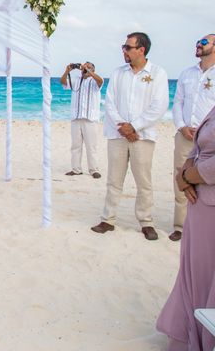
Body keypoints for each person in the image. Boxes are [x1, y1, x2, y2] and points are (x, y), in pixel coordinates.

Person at [91, 32, 169, 240]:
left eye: (127, 47)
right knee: (114, 179)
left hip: (142, 136)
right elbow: (110, 101)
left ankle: (146, 222)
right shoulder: (118, 73)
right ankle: (108, 219)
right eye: (123, 47)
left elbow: (159, 106)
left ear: (141, 50)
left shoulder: (158, 73)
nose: (123, 50)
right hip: (117, 135)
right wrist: (123, 127)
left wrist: (134, 127)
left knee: (143, 180)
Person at [156, 104, 215, 350]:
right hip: (199, 201)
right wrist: (182, 175)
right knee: (194, 268)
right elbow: (198, 147)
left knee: (207, 271)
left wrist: (189, 176)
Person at [168, 34, 215, 241]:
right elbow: (177, 102)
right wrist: (181, 126)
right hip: (185, 135)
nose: (198, 44)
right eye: (198, 41)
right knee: (181, 177)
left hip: (210, 141)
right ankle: (180, 225)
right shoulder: (187, 73)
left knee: (204, 181)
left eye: (204, 42)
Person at [60, 61, 103, 178]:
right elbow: (63, 82)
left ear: (93, 70)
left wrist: (88, 71)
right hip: (76, 117)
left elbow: (101, 81)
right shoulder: (76, 79)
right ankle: (76, 169)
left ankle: (94, 170)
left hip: (90, 119)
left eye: (89, 67)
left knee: (91, 146)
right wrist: (67, 71)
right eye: (85, 66)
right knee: (75, 146)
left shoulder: (94, 81)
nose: (85, 68)